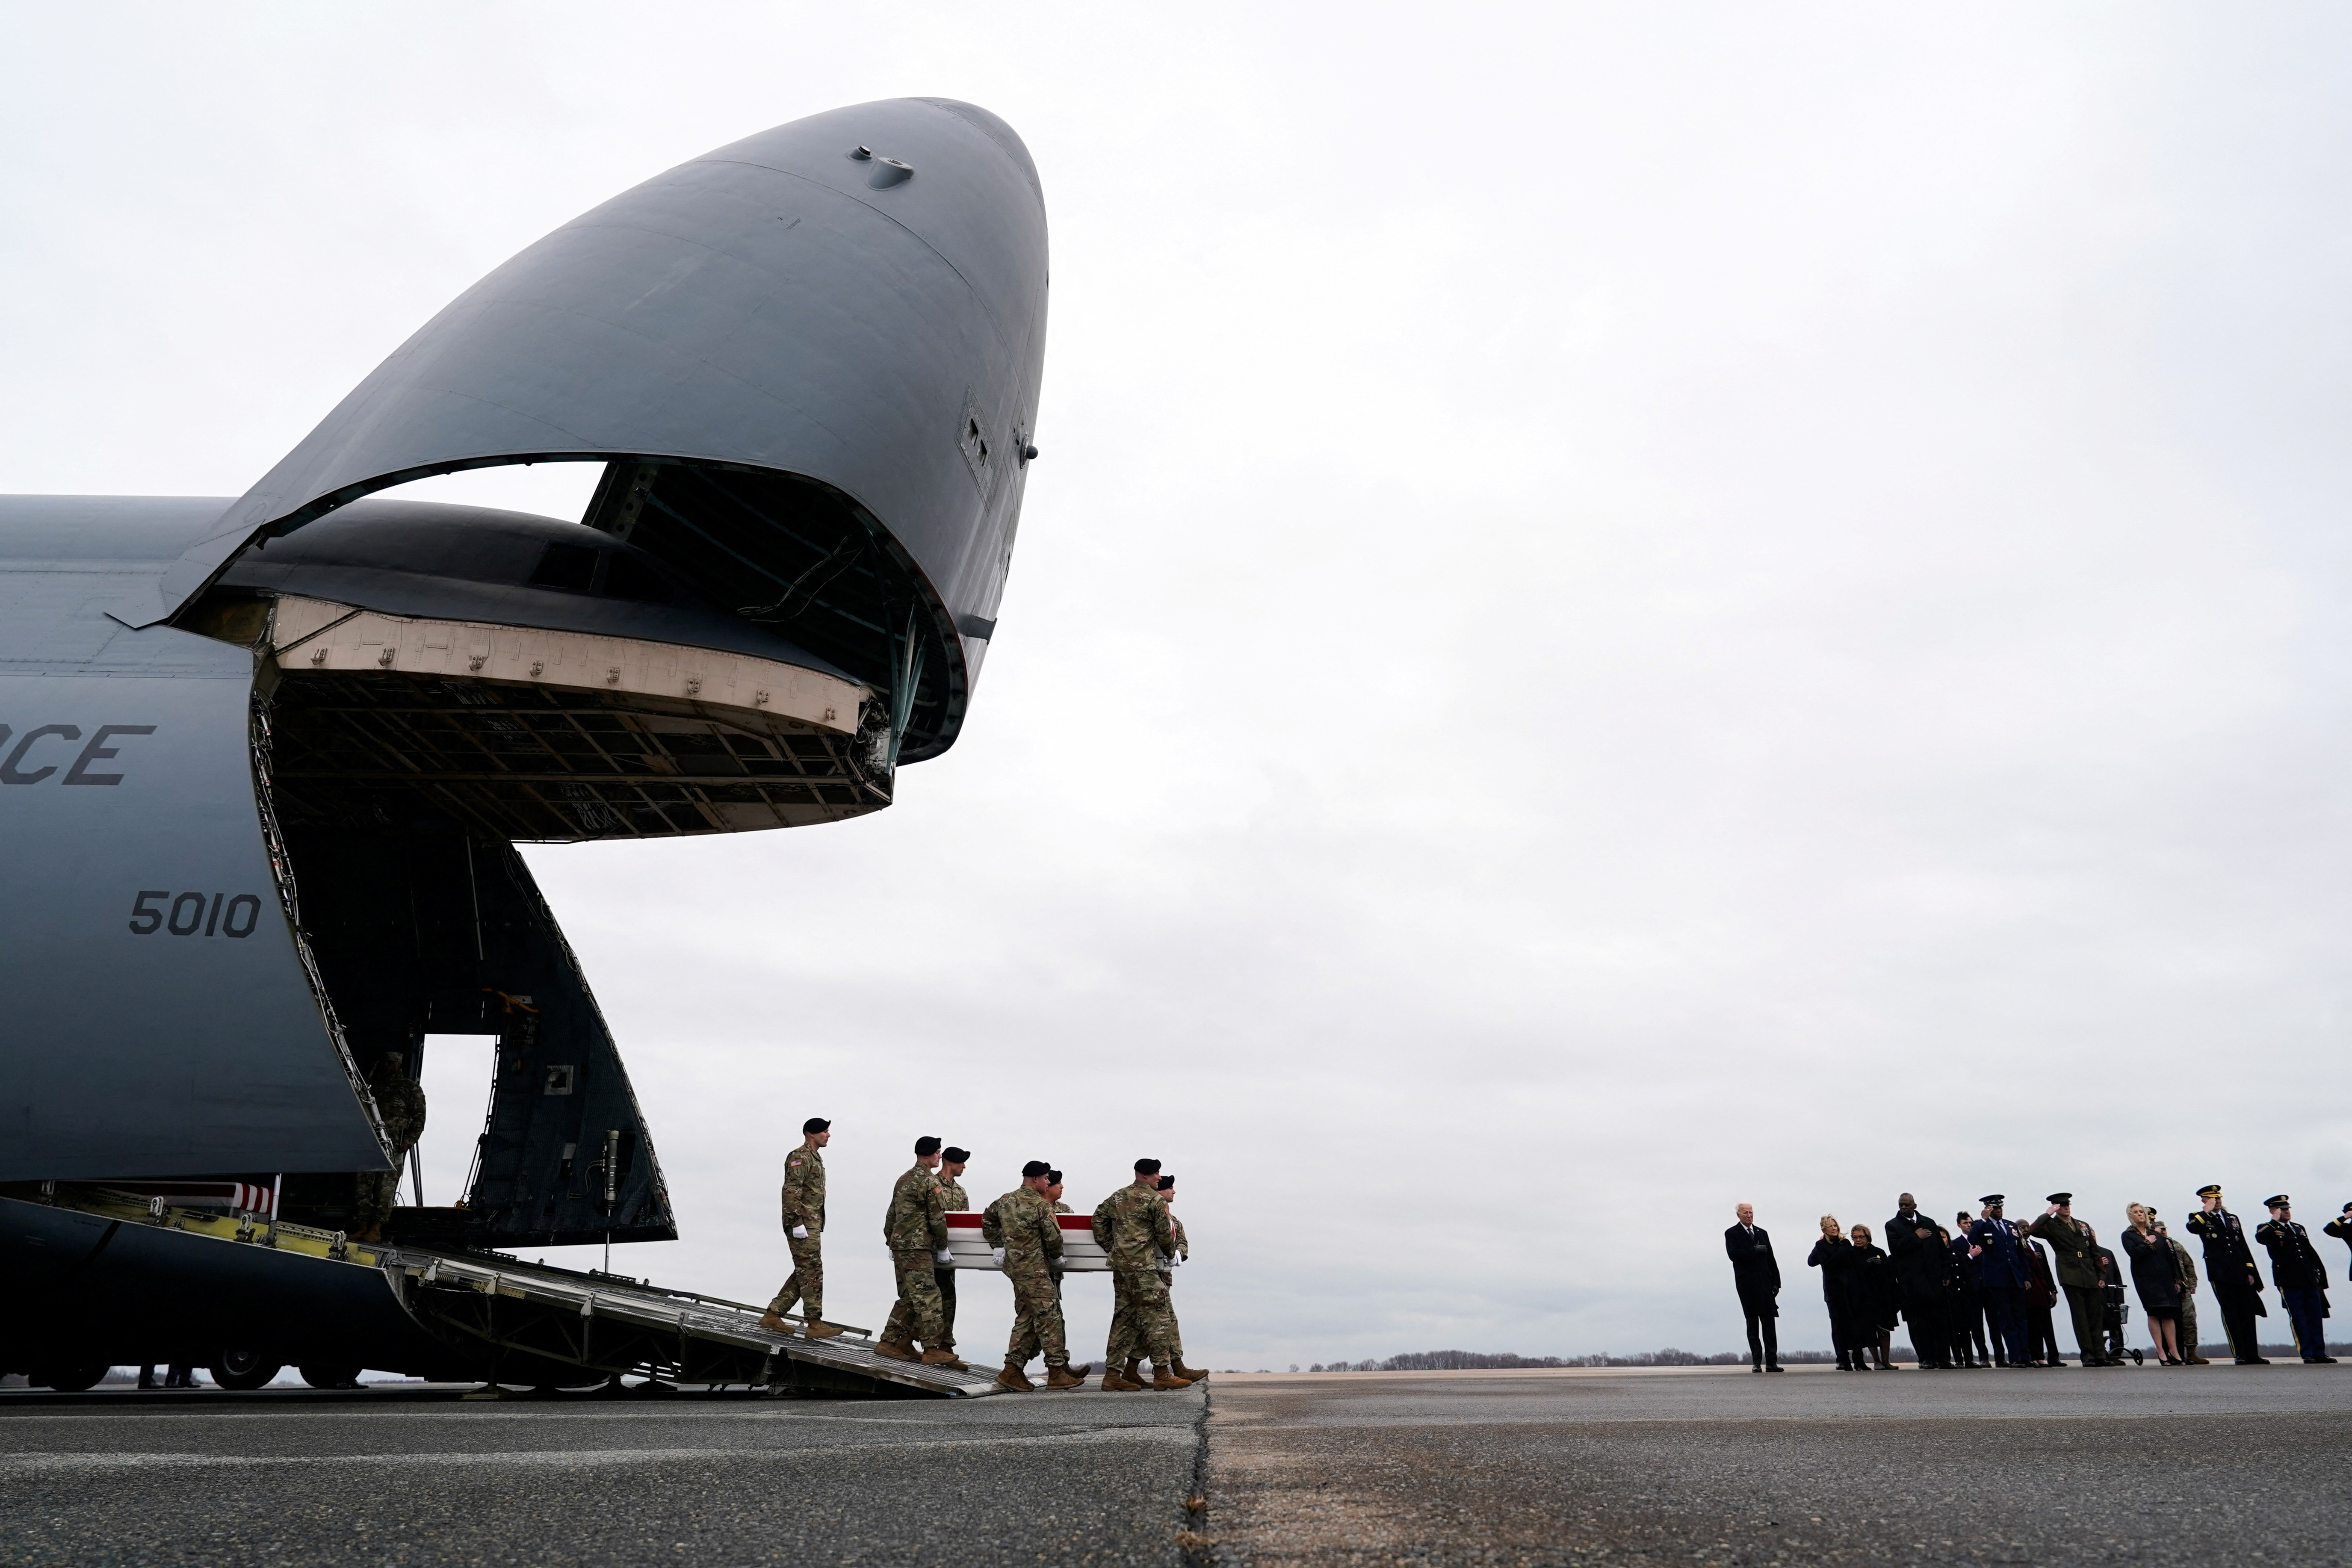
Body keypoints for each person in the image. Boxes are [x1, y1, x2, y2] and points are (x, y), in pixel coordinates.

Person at [981, 1161, 1086, 1391]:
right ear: (1037, 1179)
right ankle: (1056, 1372)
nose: (1049, 1183)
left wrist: (998, 1246)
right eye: (1047, 1179)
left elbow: (987, 1220)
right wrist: (1058, 1257)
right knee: (1050, 1316)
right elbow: (1054, 1237)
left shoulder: (1005, 1200)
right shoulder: (1040, 1205)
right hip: (1035, 1270)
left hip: (1016, 1269)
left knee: (1028, 1317)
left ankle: (1012, 1371)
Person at [1093, 1158, 1188, 1390]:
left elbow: (1098, 1220)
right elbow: (1165, 1234)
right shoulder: (1155, 1200)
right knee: (1159, 1317)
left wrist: (1113, 1248)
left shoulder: (1117, 1197)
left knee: (1123, 1320)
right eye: (1157, 1174)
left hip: (1121, 1268)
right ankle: (1162, 1374)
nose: (1159, 1178)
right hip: (1144, 1269)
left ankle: (1113, 1375)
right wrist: (1170, 1254)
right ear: (1147, 1176)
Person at [875, 1135, 964, 1368]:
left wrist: (891, 1242)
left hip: (902, 1245)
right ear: (930, 1154)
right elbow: (937, 1218)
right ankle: (931, 1349)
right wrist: (943, 1246)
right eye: (938, 1153)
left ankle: (891, 1341)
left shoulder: (904, 1179)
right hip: (918, 1247)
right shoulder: (928, 1181)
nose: (939, 1157)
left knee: (912, 1297)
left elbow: (891, 1215)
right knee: (929, 1296)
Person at [759, 1117, 841, 1338]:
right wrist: (796, 1223)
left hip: (811, 1223)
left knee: (806, 1271)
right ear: (811, 1134)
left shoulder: (815, 1158)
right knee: (812, 1270)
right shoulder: (801, 1156)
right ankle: (814, 1323)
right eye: (824, 1131)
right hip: (802, 1223)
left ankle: (774, 1314)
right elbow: (791, 1190)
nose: (829, 1135)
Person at [2185, 1185, 2270, 1364]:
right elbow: (2192, 1228)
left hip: (2240, 1270)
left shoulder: (2232, 1219)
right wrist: (2206, 1212)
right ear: (2204, 1201)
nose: (2217, 1202)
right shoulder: (2198, 1217)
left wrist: (2250, 1271)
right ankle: (2240, 1354)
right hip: (2220, 1272)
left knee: (2248, 1312)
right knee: (2231, 1313)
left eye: (2219, 1199)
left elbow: (2242, 1246)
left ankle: (2252, 1354)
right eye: (2212, 1199)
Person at [2028, 1194, 2112, 1366]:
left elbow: (2094, 1252)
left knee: (2096, 1316)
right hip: (2070, 1274)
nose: (2066, 1208)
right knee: (2080, 1317)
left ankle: (2100, 1355)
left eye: (2068, 1205)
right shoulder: (2051, 1225)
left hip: (2089, 1274)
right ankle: (2088, 1356)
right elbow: (2032, 1231)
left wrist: (2102, 1275)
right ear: (2056, 1207)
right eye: (2062, 1206)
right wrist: (2048, 1214)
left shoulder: (2083, 1226)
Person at [353, 1049, 426, 1242]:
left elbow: (419, 1117)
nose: (385, 1066)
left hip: (393, 1146)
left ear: (397, 1065)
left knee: (385, 1189)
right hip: (370, 1143)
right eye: (382, 1063)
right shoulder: (372, 1087)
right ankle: (362, 1226)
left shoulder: (409, 1089)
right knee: (363, 1186)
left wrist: (409, 1141)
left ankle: (375, 1229)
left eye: (388, 1063)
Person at [2254, 1196, 2337, 1364]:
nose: (2287, 1212)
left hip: (2308, 1278)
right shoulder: (2267, 1228)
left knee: (2315, 1315)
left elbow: (2309, 1252)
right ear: (2273, 1211)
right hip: (2288, 1280)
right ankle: (2307, 1352)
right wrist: (2274, 1221)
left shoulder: (2298, 1228)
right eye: (2282, 1209)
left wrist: (2320, 1277)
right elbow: (2261, 1239)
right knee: (2298, 1317)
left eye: (2288, 1209)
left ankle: (2320, 1352)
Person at [1150, 1174, 1207, 1384]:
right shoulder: (1148, 1219)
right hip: (1147, 1278)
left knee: (1168, 1322)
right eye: (1170, 1188)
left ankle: (1177, 1366)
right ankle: (1173, 1368)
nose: (1173, 1192)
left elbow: (1182, 1243)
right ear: (1159, 1192)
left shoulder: (1174, 1222)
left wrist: (1179, 1254)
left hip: (1164, 1280)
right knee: (1161, 1323)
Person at [1967, 1196, 2033, 1368]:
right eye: (1994, 1209)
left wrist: (2026, 1277)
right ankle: (2016, 1357)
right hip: (1997, 1280)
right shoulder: (1982, 1226)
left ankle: (2026, 1355)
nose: (1998, 1211)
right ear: (1988, 1210)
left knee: (2022, 1318)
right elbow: (1972, 1239)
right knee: (2007, 1319)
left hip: (2016, 1278)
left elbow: (2021, 1254)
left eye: (2000, 1208)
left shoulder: (2011, 1226)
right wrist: (1983, 1219)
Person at [1886, 1196, 1951, 1369]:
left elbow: (1941, 1251)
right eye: (1901, 1205)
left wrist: (1946, 1275)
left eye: (1907, 1205)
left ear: (1915, 1206)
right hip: (1912, 1284)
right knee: (1920, 1323)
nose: (1904, 1208)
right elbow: (1895, 1248)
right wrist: (1916, 1237)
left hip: (1934, 1282)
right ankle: (1926, 1359)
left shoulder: (1929, 1223)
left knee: (1940, 1321)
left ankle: (1943, 1359)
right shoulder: (1893, 1225)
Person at [1723, 1203, 1783, 1373]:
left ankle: (1772, 1362)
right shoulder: (1732, 1233)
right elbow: (1733, 1255)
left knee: (1769, 1323)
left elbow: (1771, 1258)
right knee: (1753, 1323)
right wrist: (1753, 1250)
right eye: (1745, 1213)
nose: (1749, 1216)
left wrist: (1777, 1282)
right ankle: (1757, 1362)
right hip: (1747, 1285)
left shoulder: (1762, 1233)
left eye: (1751, 1213)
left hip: (1765, 1283)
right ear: (1738, 1215)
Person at [2119, 1204, 2181, 1364]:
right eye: (2136, 1212)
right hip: (2146, 1279)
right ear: (2130, 1216)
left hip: (2165, 1279)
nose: (2140, 1214)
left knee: (2169, 1314)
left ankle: (2174, 1352)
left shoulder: (2157, 1235)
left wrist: (2176, 1279)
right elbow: (2134, 1254)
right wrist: (2146, 1243)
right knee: (2154, 1314)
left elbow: (2171, 1258)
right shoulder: (2128, 1235)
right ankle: (2161, 1351)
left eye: (2142, 1212)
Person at [933, 1146, 972, 1357]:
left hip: (950, 1256)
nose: (964, 1166)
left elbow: (964, 1224)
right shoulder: (931, 1185)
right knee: (923, 1299)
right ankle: (909, 1341)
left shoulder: (960, 1192)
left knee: (948, 1299)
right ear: (949, 1162)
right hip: (928, 1253)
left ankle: (945, 1346)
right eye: (961, 1162)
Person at [2156, 1218, 2210, 1364]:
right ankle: (2172, 1353)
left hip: (2184, 1290)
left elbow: (2189, 1265)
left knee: (2189, 1320)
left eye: (2164, 1229)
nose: (2162, 1232)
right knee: (2170, 1322)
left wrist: (2192, 1284)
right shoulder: (2156, 1247)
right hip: (2167, 1290)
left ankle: (2192, 1353)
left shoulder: (2177, 1245)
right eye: (2159, 1230)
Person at [1807, 1217, 1859, 1370]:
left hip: (1848, 1287)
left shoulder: (1845, 1243)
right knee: (1837, 1324)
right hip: (1833, 1290)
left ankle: (1858, 1358)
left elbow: (1850, 1262)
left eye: (1835, 1225)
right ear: (1824, 1230)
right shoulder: (1821, 1245)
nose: (1834, 1228)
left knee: (1853, 1321)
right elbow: (1812, 1262)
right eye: (1830, 1227)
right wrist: (1821, 1245)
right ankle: (1842, 1357)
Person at [1847, 1223, 1900, 1369]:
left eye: (1861, 1237)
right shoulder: (1851, 1253)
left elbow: (1890, 1275)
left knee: (1885, 1330)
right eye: (1855, 1237)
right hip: (1864, 1299)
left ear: (1868, 1237)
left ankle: (1886, 1361)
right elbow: (1851, 1275)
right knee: (1869, 1331)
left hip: (1882, 1297)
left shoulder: (1879, 1252)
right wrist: (1866, 1264)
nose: (1858, 1240)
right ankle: (1876, 1361)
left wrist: (1895, 1297)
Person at [1949, 1213, 1992, 1368]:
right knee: (1976, 1325)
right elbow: (1956, 1266)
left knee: (1994, 1323)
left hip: (1987, 1285)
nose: (1969, 1225)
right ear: (1959, 1225)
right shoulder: (1956, 1244)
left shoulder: (1982, 1241)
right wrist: (1970, 1256)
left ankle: (2000, 1357)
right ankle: (1983, 1357)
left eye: (1971, 1223)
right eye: (1966, 1223)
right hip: (1972, 1289)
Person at [2023, 1232, 2066, 1367]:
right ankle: (2036, 1356)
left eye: (2026, 1227)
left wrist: (2053, 1290)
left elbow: (2046, 1271)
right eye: (2021, 1227)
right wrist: (2031, 1257)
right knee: (2033, 1327)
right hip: (2029, 1291)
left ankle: (2054, 1357)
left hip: (2042, 1289)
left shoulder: (2038, 1246)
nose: (2025, 1230)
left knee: (2048, 1326)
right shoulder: (2018, 1247)